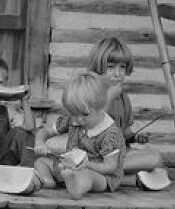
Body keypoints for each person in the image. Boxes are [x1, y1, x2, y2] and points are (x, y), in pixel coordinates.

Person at [33, 71, 126, 200]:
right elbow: (45, 131)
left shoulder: (110, 134)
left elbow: (110, 167)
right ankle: (48, 182)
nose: (77, 120)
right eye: (73, 114)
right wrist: (40, 143)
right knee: (41, 162)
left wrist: (87, 165)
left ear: (100, 107)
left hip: (98, 174)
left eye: (84, 115)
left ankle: (77, 188)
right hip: (67, 167)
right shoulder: (74, 118)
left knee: (86, 176)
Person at [87, 36, 168, 182]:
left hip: (117, 153)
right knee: (151, 162)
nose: (117, 73)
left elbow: (122, 132)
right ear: (98, 66)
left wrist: (135, 136)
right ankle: (102, 172)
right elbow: (91, 127)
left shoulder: (123, 97)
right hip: (94, 154)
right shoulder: (89, 91)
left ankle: (107, 175)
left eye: (122, 67)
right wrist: (109, 98)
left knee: (154, 157)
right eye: (110, 67)